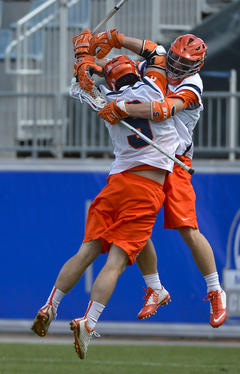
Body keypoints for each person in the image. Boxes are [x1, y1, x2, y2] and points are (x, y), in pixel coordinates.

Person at [31, 30, 182, 360]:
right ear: (135, 70)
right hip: (145, 186)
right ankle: (89, 320)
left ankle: (50, 305)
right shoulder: (154, 85)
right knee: (116, 259)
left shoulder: (104, 99)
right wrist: (115, 38)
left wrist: (83, 57)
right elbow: (157, 51)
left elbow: (82, 79)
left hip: (115, 184)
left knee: (86, 251)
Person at [88, 28, 227, 328]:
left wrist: (122, 107)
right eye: (174, 60)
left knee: (187, 229)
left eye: (183, 63)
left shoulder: (192, 84)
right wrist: (98, 52)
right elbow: (150, 52)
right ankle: (155, 287)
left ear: (196, 66)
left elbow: (164, 110)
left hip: (175, 159)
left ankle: (216, 291)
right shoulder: (161, 64)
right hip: (148, 158)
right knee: (135, 223)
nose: (175, 67)